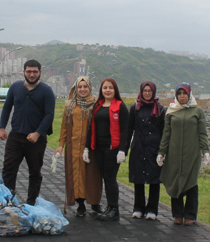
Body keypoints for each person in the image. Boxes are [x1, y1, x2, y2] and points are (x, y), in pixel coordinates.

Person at [0, 59, 55, 205]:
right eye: (29, 71)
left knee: (35, 173)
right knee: (8, 170)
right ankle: (8, 202)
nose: (31, 74)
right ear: (23, 72)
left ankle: (31, 203)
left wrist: (38, 133)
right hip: (16, 135)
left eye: (35, 71)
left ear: (40, 73)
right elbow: (7, 107)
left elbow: (49, 114)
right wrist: (2, 127)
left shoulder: (47, 91)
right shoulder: (15, 87)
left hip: (36, 139)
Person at [157, 82, 210, 226]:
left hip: (192, 154)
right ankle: (178, 214)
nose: (182, 96)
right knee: (176, 181)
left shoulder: (197, 111)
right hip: (174, 154)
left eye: (184, 93)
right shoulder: (172, 111)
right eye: (179, 94)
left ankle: (190, 215)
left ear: (189, 94)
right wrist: (161, 152)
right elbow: (166, 134)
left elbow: (202, 133)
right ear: (176, 96)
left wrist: (205, 151)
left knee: (191, 183)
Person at [55, 76, 103, 217]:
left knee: (92, 174)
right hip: (73, 146)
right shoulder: (69, 105)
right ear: (76, 88)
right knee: (76, 174)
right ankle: (80, 204)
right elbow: (64, 127)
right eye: (80, 87)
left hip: (91, 146)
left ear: (90, 88)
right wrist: (60, 145)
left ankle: (95, 203)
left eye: (85, 87)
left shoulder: (96, 104)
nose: (82, 89)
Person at [84, 78, 129, 221]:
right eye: (105, 88)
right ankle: (109, 207)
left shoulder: (120, 106)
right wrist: (86, 147)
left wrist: (122, 150)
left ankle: (114, 209)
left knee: (111, 178)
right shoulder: (98, 106)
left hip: (113, 149)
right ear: (101, 90)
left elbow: (125, 130)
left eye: (110, 88)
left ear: (115, 90)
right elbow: (91, 128)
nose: (107, 90)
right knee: (105, 177)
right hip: (99, 148)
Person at [126, 81, 166, 220]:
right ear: (141, 92)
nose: (147, 93)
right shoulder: (134, 108)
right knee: (139, 179)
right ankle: (138, 207)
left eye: (150, 91)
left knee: (154, 180)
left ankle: (152, 209)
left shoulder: (160, 109)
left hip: (154, 148)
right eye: (145, 90)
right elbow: (129, 129)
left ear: (153, 92)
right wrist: (123, 150)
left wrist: (162, 151)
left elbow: (163, 131)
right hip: (138, 147)